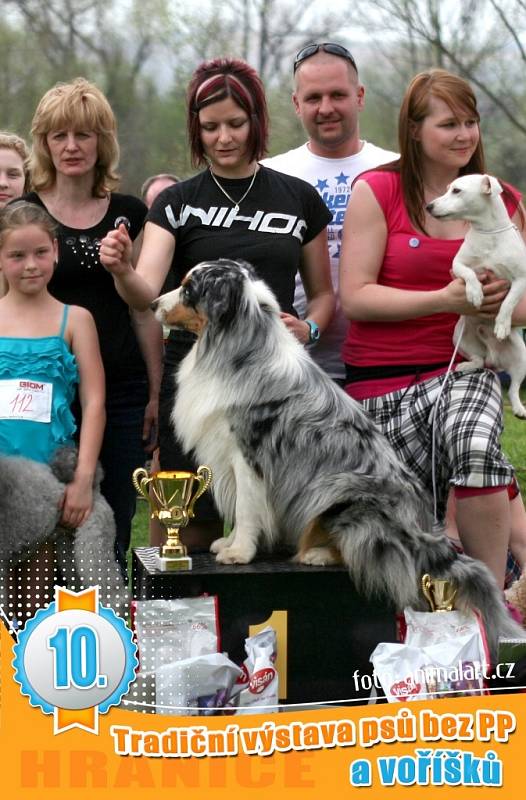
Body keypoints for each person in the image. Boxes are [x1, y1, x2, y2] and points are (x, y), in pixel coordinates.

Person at [100, 57, 334, 548]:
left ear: (256, 123)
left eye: (235, 123)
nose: (224, 137)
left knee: (277, 530)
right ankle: (175, 622)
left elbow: (323, 295)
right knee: (189, 519)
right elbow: (147, 294)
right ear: (196, 130)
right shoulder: (176, 202)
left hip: (272, 380)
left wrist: (309, 328)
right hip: (194, 373)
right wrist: (123, 270)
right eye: (210, 127)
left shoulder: (298, 198)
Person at [339, 68, 526, 589]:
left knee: (474, 444)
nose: (465, 134)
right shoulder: (377, 190)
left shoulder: (504, 200)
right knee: (405, 526)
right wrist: (442, 299)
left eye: (472, 122)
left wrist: (500, 302)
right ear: (415, 130)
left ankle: (490, 609)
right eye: (449, 124)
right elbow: (356, 296)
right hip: (383, 381)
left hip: (468, 368)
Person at [23, 77, 163, 577]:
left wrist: (154, 391)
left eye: (83, 135)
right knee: (42, 520)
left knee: (116, 519)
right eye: (58, 136)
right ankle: (40, 635)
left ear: (102, 141)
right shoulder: (24, 213)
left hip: (121, 392)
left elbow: (143, 310)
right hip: (42, 393)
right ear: (43, 143)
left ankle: (110, 631)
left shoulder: (130, 214)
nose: (71, 146)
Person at [263, 43, 397, 383]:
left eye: (338, 95)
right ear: (296, 104)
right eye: (313, 98)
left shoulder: (397, 170)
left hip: (382, 366)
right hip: (293, 371)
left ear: (360, 96)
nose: (326, 108)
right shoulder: (269, 176)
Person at [0, 201, 105, 612]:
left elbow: (94, 403)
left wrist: (81, 481)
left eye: (40, 253)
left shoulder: (76, 320)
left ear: (56, 251)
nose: (31, 265)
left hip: (47, 486)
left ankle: (24, 676)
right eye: (17, 255)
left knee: (33, 601)